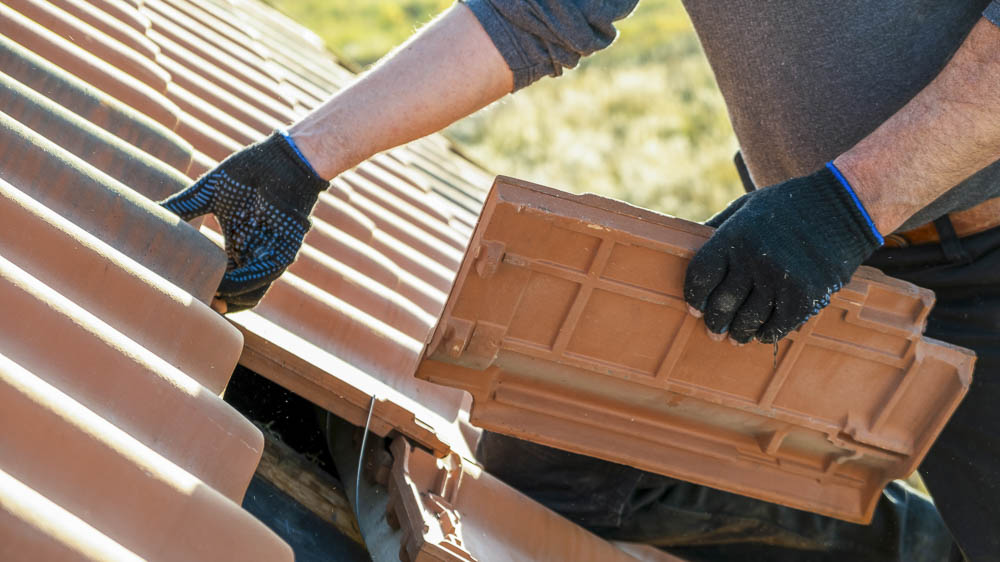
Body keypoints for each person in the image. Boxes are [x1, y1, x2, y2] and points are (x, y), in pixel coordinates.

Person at [160, 1, 1000, 560]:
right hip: (813, 234)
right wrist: (300, 162)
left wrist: (854, 200)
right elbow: (540, 9)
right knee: (563, 459)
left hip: (951, 239)